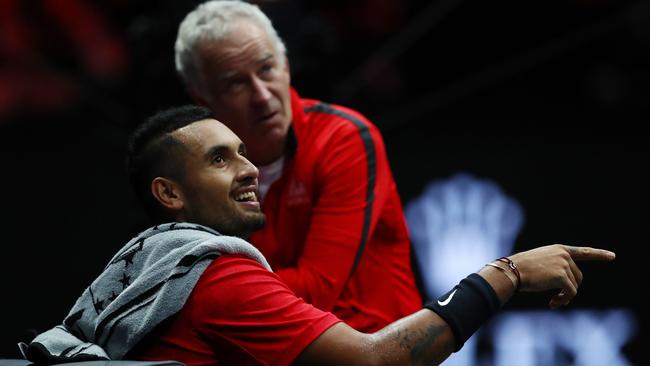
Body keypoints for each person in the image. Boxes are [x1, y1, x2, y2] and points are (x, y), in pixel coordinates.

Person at [24, 105, 615, 366]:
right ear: (169, 194)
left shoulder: (143, 269)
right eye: (220, 159)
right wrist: (504, 274)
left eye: (244, 154)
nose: (250, 169)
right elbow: (377, 363)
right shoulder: (211, 276)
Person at [173, 0, 422, 332]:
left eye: (267, 69)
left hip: (378, 347)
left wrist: (209, 296)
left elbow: (316, 288)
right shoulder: (197, 174)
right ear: (202, 100)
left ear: (286, 65)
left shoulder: (344, 138)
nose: (262, 95)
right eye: (236, 83)